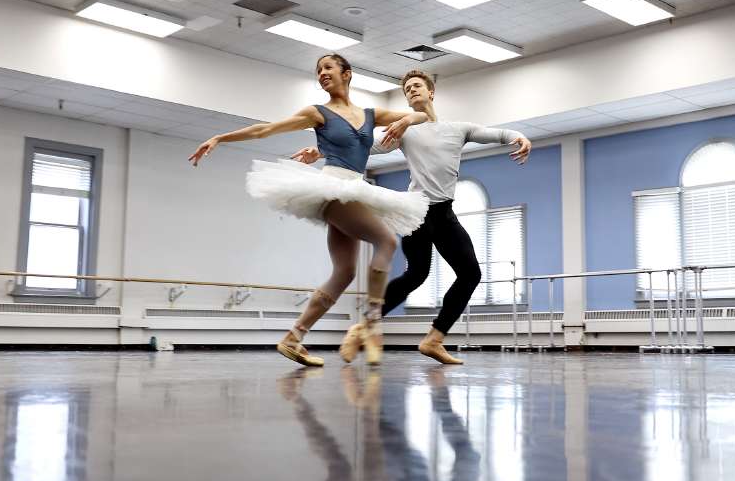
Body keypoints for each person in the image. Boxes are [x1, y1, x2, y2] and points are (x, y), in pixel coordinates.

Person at [189, 54, 430, 367]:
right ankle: (372, 325)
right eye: (318, 70)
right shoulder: (317, 113)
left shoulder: (370, 114)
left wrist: (408, 119)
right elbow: (266, 129)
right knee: (387, 242)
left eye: (328, 68)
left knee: (344, 273)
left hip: (355, 190)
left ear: (347, 73)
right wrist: (220, 137)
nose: (322, 74)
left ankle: (293, 338)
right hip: (333, 190)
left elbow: (423, 115)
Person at [294, 69, 531, 364]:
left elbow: (496, 134)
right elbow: (364, 147)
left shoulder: (458, 128)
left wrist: (519, 136)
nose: (412, 91)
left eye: (417, 86)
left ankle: (434, 339)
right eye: (407, 89)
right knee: (417, 275)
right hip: (417, 212)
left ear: (431, 92)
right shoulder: (405, 130)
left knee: (471, 274)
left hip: (444, 213)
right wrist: (320, 151)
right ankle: (362, 327)